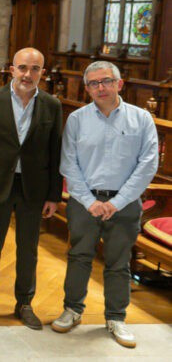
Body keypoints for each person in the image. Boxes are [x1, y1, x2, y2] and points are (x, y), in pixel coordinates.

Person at [51, 61, 158, 348]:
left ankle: (116, 317)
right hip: (84, 202)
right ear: (87, 88)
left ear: (120, 84)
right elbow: (68, 163)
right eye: (94, 83)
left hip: (125, 204)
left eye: (106, 81)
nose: (101, 87)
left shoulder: (141, 119)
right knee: (79, 256)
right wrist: (89, 201)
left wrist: (118, 202)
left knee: (119, 262)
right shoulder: (77, 119)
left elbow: (148, 165)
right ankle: (72, 309)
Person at [0, 47, 63, 330]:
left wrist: (54, 194)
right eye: (22, 68)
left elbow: (56, 152)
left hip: (34, 188)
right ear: (12, 69)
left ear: (42, 74)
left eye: (35, 69)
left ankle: (24, 302)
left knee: (28, 249)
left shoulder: (51, 105)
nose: (28, 74)